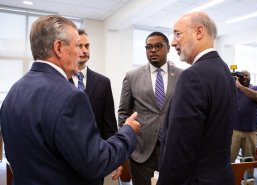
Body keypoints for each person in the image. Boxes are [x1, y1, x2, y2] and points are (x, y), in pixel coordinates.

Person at [0, 15, 140, 185]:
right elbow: (95, 162)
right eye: (76, 45)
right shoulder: (71, 96)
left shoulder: (14, 91)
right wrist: (128, 132)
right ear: (59, 48)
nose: (81, 52)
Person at [157, 11, 237, 185]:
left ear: (199, 32)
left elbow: (180, 148)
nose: (173, 41)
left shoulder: (192, 76)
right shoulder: (225, 73)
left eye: (178, 34)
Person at [118, 31, 182, 185]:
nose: (153, 50)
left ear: (168, 48)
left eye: (158, 46)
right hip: (141, 151)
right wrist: (127, 144)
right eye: (149, 47)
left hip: (173, 149)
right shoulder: (132, 76)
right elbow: (123, 114)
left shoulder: (183, 76)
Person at [69, 29, 119, 184]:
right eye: (79, 46)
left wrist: (115, 158)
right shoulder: (58, 80)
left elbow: (109, 124)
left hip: (95, 159)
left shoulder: (103, 82)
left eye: (87, 46)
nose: (84, 51)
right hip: (65, 159)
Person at [231, 70, 257, 178]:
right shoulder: (233, 89)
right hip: (235, 131)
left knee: (249, 162)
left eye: (247, 75)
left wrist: (240, 86)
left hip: (251, 132)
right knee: (229, 159)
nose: (245, 77)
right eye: (242, 76)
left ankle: (249, 180)